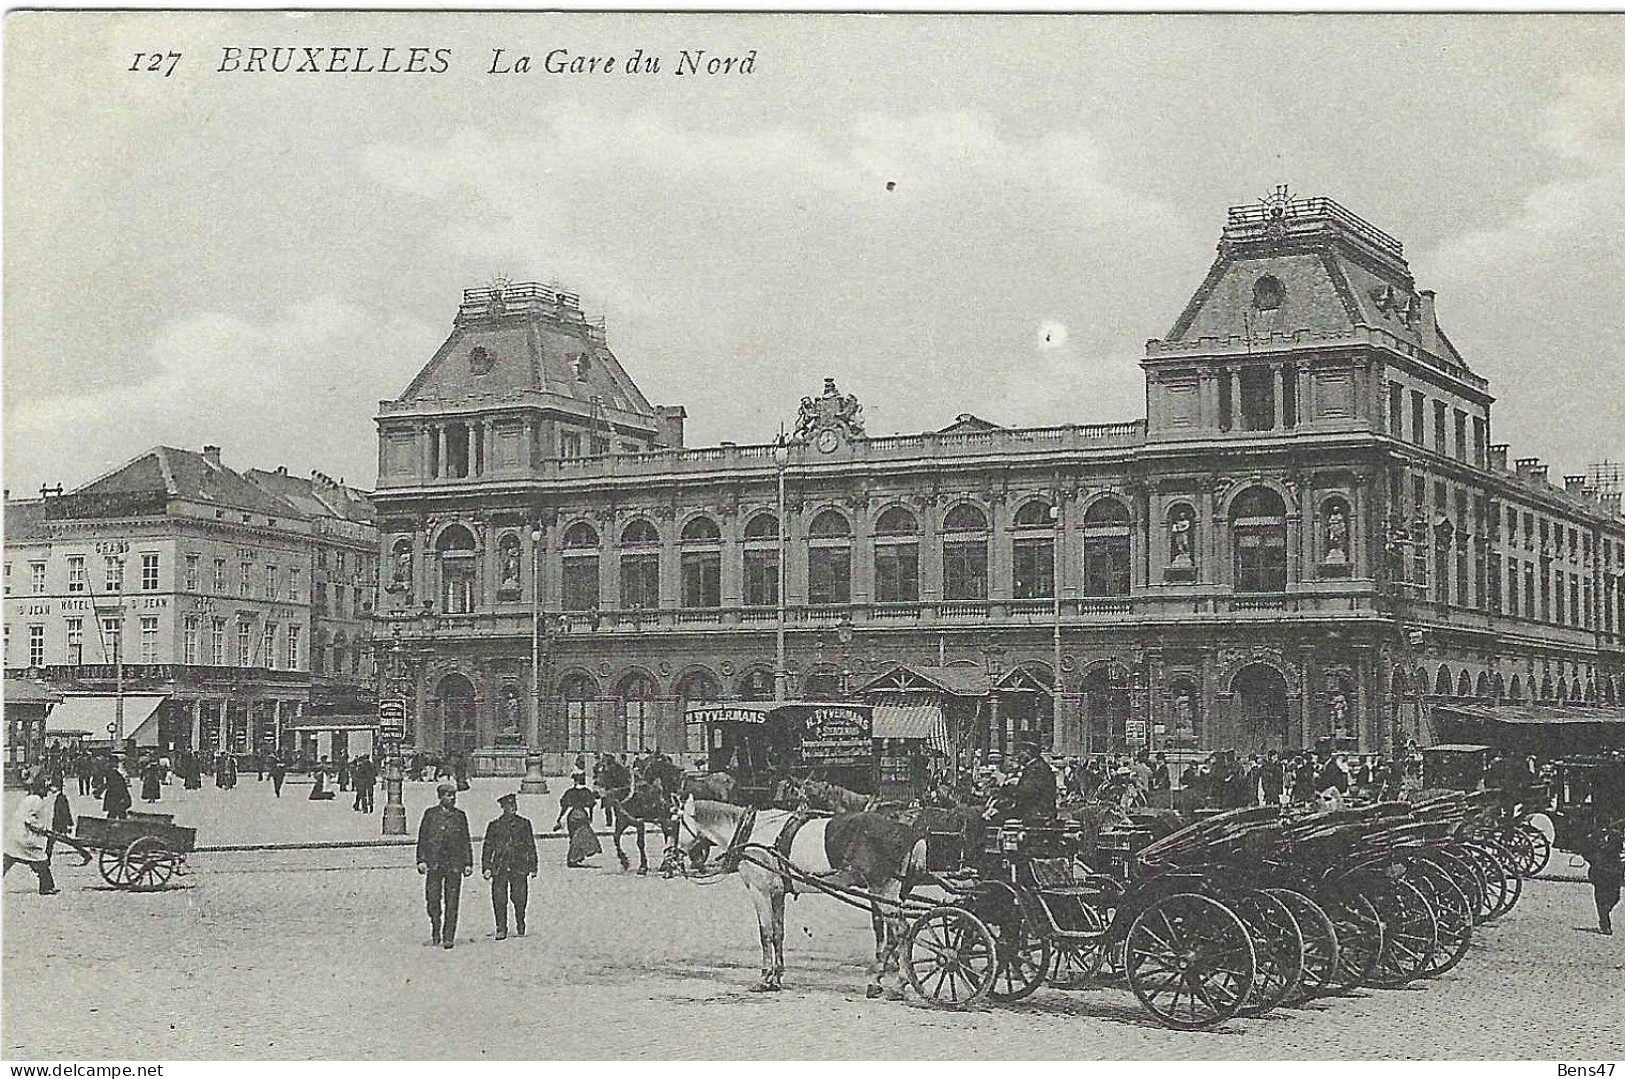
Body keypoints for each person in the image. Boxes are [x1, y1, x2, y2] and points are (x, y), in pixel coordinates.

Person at [417, 780, 474, 948]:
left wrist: (468, 863)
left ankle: (449, 935)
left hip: (454, 865)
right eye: (449, 796)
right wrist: (421, 860)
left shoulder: (460, 816)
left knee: (452, 901)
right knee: (433, 900)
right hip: (434, 864)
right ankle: (436, 927)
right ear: (440, 797)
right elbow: (422, 839)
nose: (452, 799)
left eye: (454, 796)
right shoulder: (430, 815)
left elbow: (466, 840)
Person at [482, 792, 539, 939]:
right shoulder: (494, 825)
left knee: (520, 897)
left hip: (519, 866)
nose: (513, 807)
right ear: (503, 807)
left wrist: (533, 866)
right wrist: (487, 867)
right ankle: (501, 927)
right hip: (500, 866)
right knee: (499, 898)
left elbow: (530, 846)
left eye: (514, 804)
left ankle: (520, 920)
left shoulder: (524, 824)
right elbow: (488, 847)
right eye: (509, 805)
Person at [4, 778, 60, 895]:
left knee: (9, 858)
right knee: (41, 859)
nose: (47, 792)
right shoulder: (37, 801)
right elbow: (30, 820)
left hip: (15, 835)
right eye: (45, 789)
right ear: (39, 789)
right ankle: (46, 887)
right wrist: (42, 829)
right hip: (24, 837)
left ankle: (47, 886)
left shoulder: (29, 799)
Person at [1584, 821, 1623, 935]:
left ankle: (1605, 915)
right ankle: (1605, 924)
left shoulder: (1613, 843)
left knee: (1615, 898)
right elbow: (1587, 853)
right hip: (1602, 873)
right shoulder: (1599, 843)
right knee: (1602, 900)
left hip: (1611, 874)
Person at [555, 776, 601, 868]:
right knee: (582, 837)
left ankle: (575, 857)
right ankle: (574, 858)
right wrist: (591, 817)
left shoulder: (570, 792)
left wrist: (559, 818)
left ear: (575, 782)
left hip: (572, 816)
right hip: (582, 815)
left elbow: (564, 806)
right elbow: (591, 805)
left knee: (574, 837)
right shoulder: (586, 792)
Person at [1010, 741, 1057, 820]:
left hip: (1036, 812)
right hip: (1035, 810)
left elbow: (1028, 791)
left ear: (1028, 752)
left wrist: (1011, 790)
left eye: (1020, 752)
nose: (1017, 756)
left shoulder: (1036, 769)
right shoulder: (1035, 766)